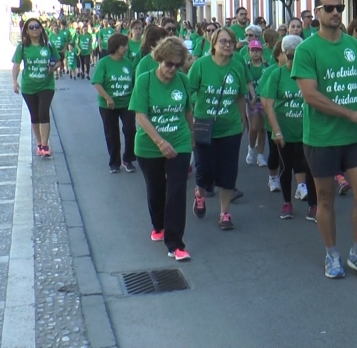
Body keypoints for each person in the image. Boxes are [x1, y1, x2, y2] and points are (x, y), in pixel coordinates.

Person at [292, 0, 357, 280]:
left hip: (353, 137)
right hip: (321, 138)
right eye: (329, 8)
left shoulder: (353, 44)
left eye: (339, 7)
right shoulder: (306, 50)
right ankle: (332, 254)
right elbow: (310, 95)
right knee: (325, 198)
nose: (335, 12)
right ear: (317, 13)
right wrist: (350, 113)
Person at [130, 37, 194, 261]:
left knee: (177, 191)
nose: (172, 70)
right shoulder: (145, 80)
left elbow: (187, 111)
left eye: (177, 65)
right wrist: (160, 142)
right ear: (160, 59)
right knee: (156, 190)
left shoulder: (183, 81)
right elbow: (141, 115)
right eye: (169, 64)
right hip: (149, 145)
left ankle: (175, 243)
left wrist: (192, 135)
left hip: (180, 140)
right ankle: (158, 225)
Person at [188, 27, 249, 231]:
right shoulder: (201, 65)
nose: (227, 45)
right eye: (223, 41)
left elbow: (241, 94)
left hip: (230, 127)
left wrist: (243, 118)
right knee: (205, 169)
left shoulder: (237, 66)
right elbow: (190, 91)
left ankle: (224, 212)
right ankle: (200, 193)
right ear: (213, 44)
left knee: (228, 172)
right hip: (205, 126)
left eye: (230, 41)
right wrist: (193, 113)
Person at [261, 36, 318, 220]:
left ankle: (313, 205)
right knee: (286, 166)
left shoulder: (309, 72)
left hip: (308, 130)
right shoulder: (276, 75)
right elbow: (268, 104)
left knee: (309, 167)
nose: (293, 59)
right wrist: (276, 130)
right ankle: (287, 202)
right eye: (290, 55)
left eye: (296, 55)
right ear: (283, 54)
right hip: (285, 130)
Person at [12, 18, 60, 157]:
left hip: (46, 85)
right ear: (26, 30)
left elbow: (58, 61)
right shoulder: (22, 47)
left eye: (37, 26)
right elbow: (16, 65)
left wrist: (54, 68)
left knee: (43, 112)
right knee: (34, 115)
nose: (34, 29)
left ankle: (45, 145)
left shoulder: (48, 45)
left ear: (41, 29)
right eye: (31, 27)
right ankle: (39, 143)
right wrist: (14, 82)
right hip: (29, 86)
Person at [92, 33, 137, 174]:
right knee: (112, 133)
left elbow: (134, 83)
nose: (127, 48)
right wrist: (107, 98)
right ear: (116, 47)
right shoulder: (104, 63)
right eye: (124, 46)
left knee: (130, 130)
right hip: (108, 105)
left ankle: (128, 159)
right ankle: (114, 161)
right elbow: (97, 83)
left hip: (126, 103)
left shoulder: (128, 63)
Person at [244, 39, 269, 167]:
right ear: (249, 52)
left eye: (258, 50)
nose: (255, 53)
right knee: (253, 127)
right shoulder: (247, 67)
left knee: (262, 128)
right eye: (253, 50)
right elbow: (246, 83)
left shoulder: (266, 66)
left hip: (264, 100)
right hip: (251, 101)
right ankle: (251, 147)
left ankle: (260, 154)